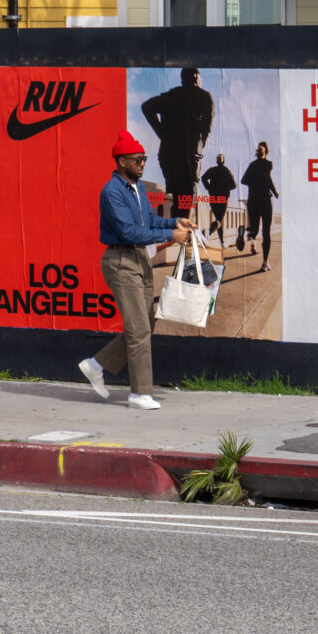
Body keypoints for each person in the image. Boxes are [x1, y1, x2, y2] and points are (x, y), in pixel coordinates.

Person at [80, 130, 189, 410]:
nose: (143, 164)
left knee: (146, 323)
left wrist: (177, 222)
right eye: (138, 159)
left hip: (140, 260)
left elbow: (150, 220)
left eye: (145, 159)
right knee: (139, 327)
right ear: (121, 161)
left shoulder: (138, 188)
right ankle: (139, 394)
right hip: (120, 261)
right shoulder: (111, 192)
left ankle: (96, 364)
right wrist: (169, 238)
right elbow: (129, 232)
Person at [139, 66, 213, 216]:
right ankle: (182, 236)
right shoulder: (204, 97)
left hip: (169, 155)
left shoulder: (170, 96)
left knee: (176, 197)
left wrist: (162, 134)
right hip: (190, 157)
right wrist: (199, 146)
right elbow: (207, 128)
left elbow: (146, 107)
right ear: (195, 76)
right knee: (186, 200)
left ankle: (177, 234)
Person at [238, 140, 278, 266]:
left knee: (254, 229)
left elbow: (243, 180)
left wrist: (253, 183)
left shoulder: (252, 165)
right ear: (266, 151)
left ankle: (245, 230)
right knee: (266, 232)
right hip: (265, 200)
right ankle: (265, 263)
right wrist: (275, 192)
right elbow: (268, 179)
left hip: (253, 200)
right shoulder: (269, 164)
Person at [199, 153, 236, 242]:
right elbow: (234, 185)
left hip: (213, 198)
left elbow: (203, 178)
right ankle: (208, 232)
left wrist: (209, 188)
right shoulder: (227, 171)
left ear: (217, 161)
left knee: (218, 220)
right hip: (223, 198)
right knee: (219, 220)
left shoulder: (212, 170)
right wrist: (225, 189)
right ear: (223, 161)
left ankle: (222, 242)